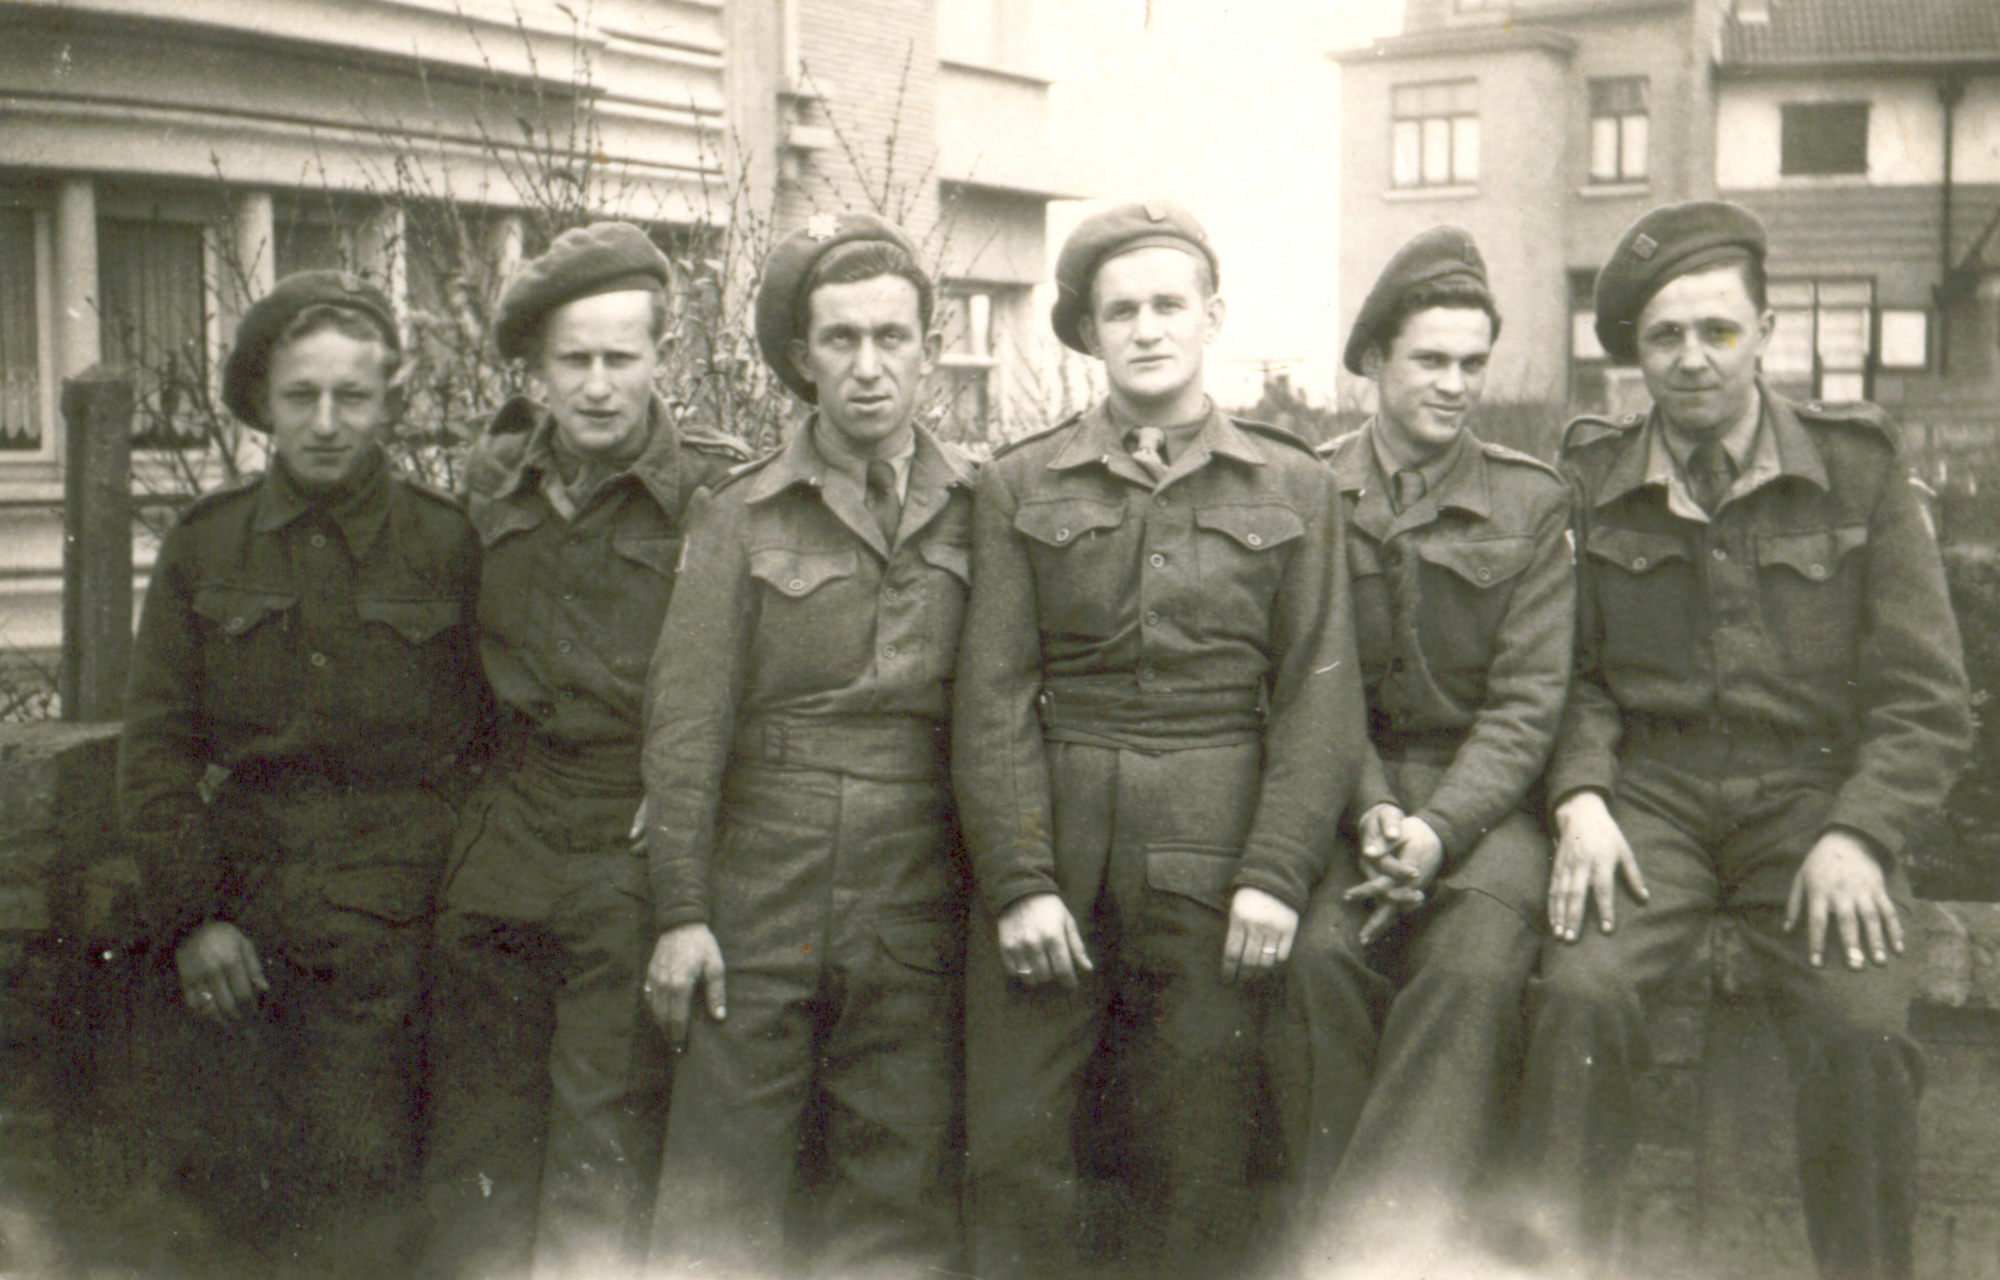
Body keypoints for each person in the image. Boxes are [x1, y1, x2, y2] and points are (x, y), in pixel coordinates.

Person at [1516, 200, 1972, 1280]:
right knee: (1577, 999)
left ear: (1766, 332)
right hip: (1648, 805)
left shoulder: (1856, 469)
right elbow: (1567, 674)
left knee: (1861, 1029)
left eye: (1717, 330)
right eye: (1664, 336)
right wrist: (1581, 798)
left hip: (1811, 808)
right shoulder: (1589, 478)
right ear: (1634, 352)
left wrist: (1862, 833)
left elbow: (1924, 696)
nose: (1692, 358)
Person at [952, 200, 1367, 1280]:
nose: (1146, 329)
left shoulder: (1293, 483)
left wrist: (1275, 875)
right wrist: (1019, 882)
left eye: (1168, 305)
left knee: (1197, 1154)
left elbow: (1318, 697)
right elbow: (993, 696)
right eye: (1120, 310)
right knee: (1018, 1142)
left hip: (1218, 850)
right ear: (1089, 332)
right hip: (1058, 844)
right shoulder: (1019, 483)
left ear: (1211, 317)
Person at [118, 270, 489, 1277]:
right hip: (240, 927)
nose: (326, 422)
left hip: (398, 932)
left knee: (370, 1204)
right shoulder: (205, 544)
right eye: (301, 396)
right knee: (222, 1203)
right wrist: (194, 918)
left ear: (388, 403)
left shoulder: (448, 542)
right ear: (262, 402)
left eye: (351, 396)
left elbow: (489, 744)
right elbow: (155, 749)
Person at [641, 211, 971, 1279]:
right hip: (763, 875)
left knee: (895, 1184)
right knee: (721, 1182)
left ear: (929, 347)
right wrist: (682, 911)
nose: (868, 367)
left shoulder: (982, 507)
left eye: (891, 337)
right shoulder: (740, 512)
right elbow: (686, 727)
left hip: (914, 876)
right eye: (841, 339)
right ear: (802, 356)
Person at [421, 222, 749, 1280]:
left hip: (629, 839)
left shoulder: (715, 493)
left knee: (600, 1134)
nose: (599, 386)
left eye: (621, 357)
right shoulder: (490, 487)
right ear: (535, 370)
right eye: (574, 361)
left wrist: (682, 795)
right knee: (477, 1133)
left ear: (662, 357)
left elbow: (752, 677)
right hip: (506, 832)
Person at [1274, 226, 1574, 1268]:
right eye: (1430, 360)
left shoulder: (1530, 500)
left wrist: (1438, 831)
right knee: (1316, 960)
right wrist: (1369, 809)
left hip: (1483, 812)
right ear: (1372, 360)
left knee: (1471, 972)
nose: (1455, 385)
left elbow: (1528, 701)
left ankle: (1364, 1256)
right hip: (1344, 793)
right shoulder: (1307, 490)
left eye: (1472, 363)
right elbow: (1313, 679)